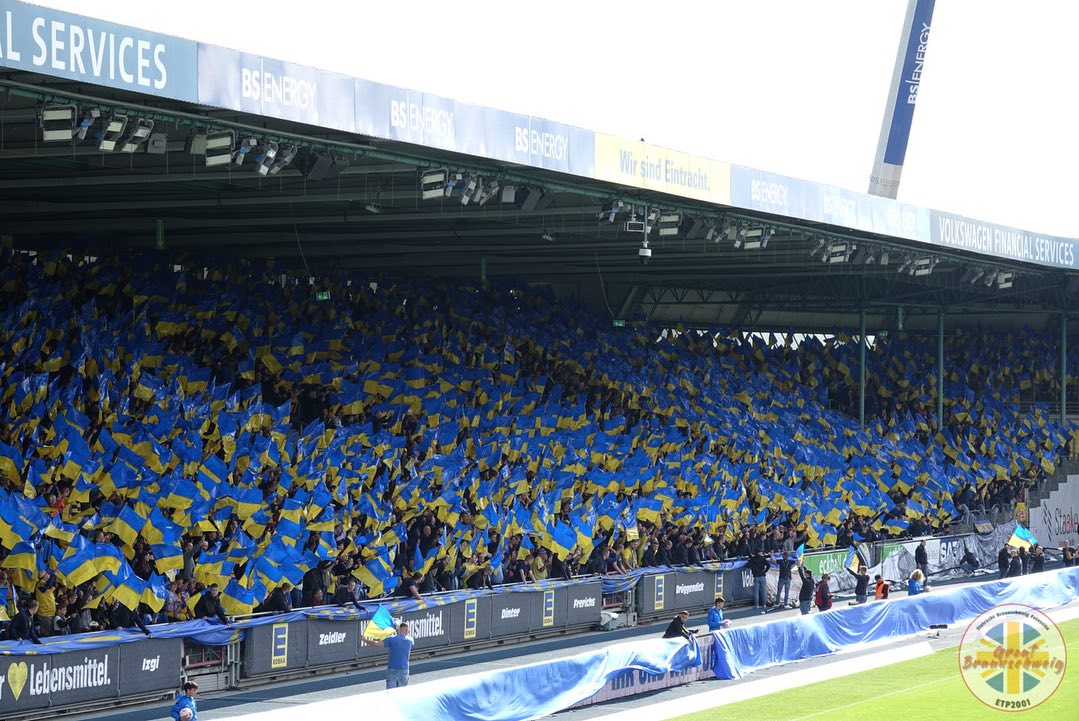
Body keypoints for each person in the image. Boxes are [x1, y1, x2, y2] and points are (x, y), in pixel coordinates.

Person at [365, 621, 415, 689]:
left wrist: (365, 640)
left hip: (392, 669)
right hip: (404, 671)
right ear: (407, 631)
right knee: (402, 694)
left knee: (391, 694)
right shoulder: (410, 640)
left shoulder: (392, 639)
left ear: (398, 630)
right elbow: (405, 635)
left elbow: (376, 643)